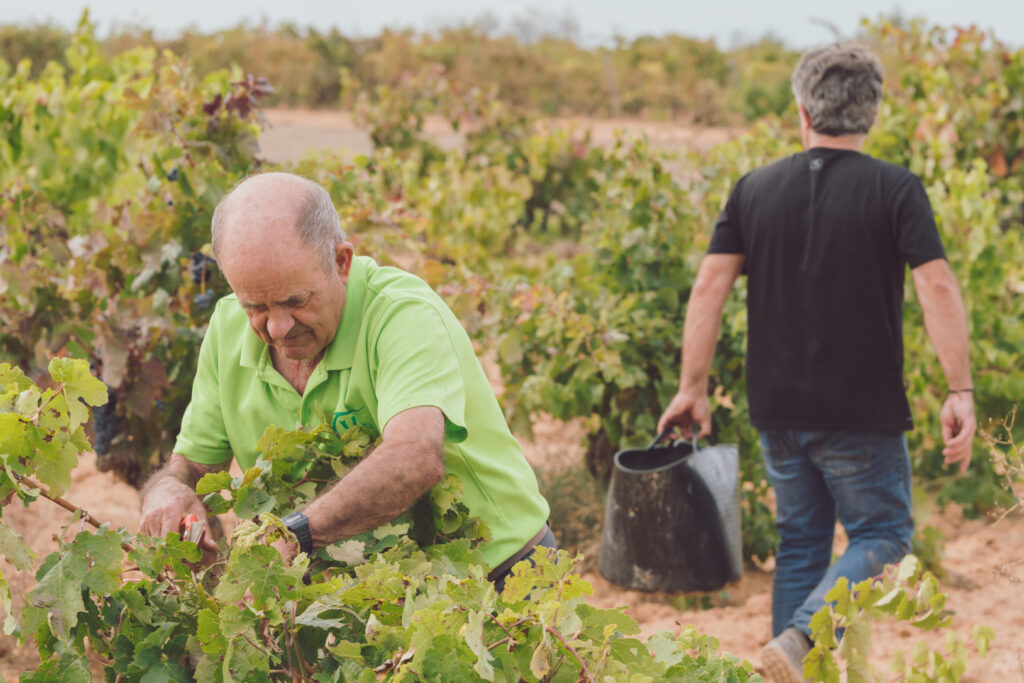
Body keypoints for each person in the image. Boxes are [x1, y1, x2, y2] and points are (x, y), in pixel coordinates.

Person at [657, 44, 975, 683]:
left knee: (801, 545)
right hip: (862, 413)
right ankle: (802, 640)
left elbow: (709, 286)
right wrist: (959, 388)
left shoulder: (754, 189)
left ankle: (788, 661)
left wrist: (692, 386)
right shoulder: (895, 188)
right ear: (872, 114)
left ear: (801, 112)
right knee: (884, 536)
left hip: (777, 408)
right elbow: (937, 286)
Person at [139, 172, 554, 590]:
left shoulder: (401, 314)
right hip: (367, 596)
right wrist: (168, 489)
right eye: (256, 307)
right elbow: (191, 465)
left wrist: (296, 534)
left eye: (295, 301)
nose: (279, 327)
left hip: (497, 574)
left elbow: (415, 454)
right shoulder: (228, 327)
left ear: (341, 263)